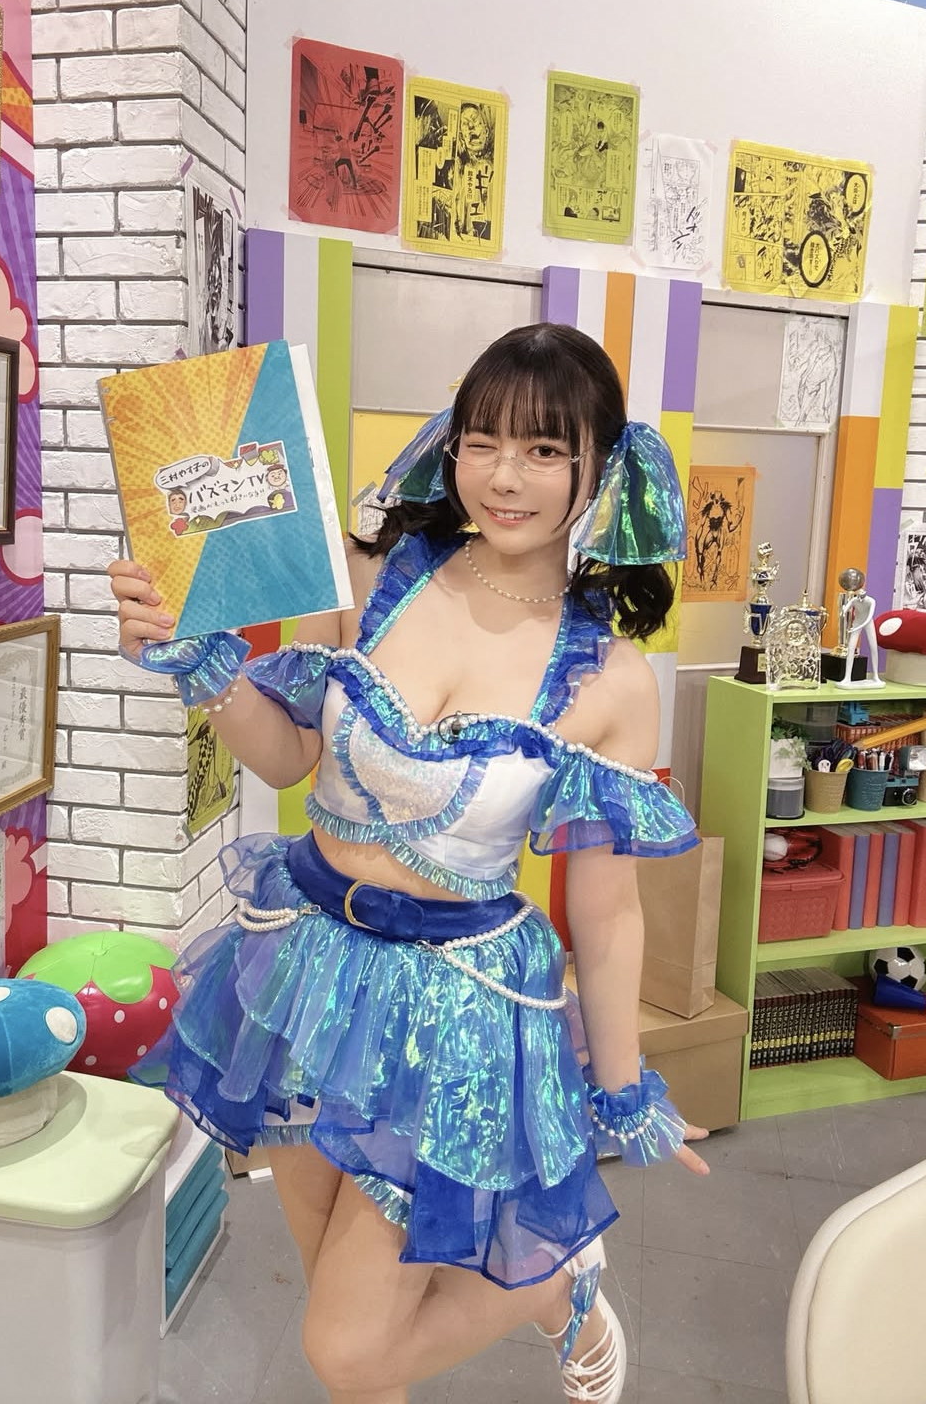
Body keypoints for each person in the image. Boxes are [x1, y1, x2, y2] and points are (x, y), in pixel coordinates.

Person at [109, 323, 708, 1404]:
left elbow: (608, 912)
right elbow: (288, 756)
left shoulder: (610, 678)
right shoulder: (374, 575)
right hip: (303, 965)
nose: (504, 476)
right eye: (483, 441)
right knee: (354, 1337)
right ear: (451, 443)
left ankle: (559, 1279)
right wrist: (198, 664)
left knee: (346, 1343)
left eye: (543, 450)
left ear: (599, 467)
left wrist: (623, 1092)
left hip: (455, 1008)